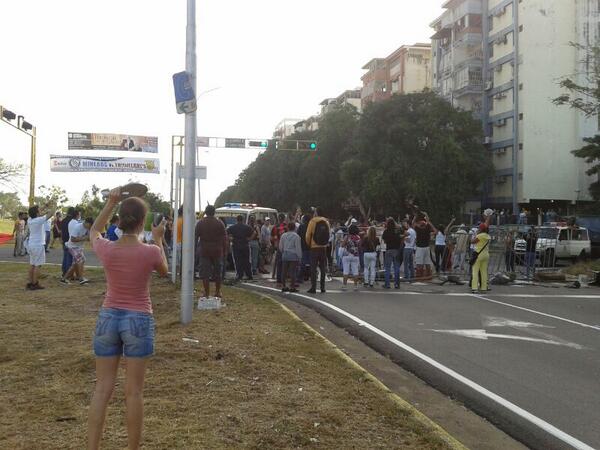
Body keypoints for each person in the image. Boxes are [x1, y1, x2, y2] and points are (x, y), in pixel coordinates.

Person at [87, 187, 168, 450]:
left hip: (108, 316)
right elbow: (164, 272)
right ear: (143, 222)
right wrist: (158, 239)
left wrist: (110, 202)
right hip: (138, 319)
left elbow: (94, 231)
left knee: (102, 389)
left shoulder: (107, 249)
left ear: (120, 220)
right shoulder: (150, 251)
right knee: (134, 392)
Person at [195, 205, 227, 301]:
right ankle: (217, 292)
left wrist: (195, 250)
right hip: (217, 250)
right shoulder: (220, 223)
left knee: (205, 273)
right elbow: (225, 239)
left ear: (205, 212)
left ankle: (206, 293)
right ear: (214, 212)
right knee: (217, 273)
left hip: (204, 251)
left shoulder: (200, 223)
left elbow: (195, 237)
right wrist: (225, 251)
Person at [25, 205, 54, 290]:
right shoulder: (39, 220)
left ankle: (31, 282)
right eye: (39, 210)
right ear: (37, 213)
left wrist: (46, 205)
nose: (40, 211)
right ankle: (35, 283)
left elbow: (36, 211)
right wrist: (55, 204)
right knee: (38, 265)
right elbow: (51, 213)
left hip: (31, 244)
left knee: (32, 264)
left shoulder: (30, 219)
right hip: (38, 245)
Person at [305, 207, 331, 294]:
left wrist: (309, 244)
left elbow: (308, 235)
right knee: (323, 268)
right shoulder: (326, 222)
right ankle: (322, 287)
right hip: (323, 247)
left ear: (316, 213)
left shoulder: (312, 221)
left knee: (313, 267)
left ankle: (313, 287)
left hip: (314, 247)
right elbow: (329, 234)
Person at [63, 217, 93, 285]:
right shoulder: (77, 227)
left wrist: (88, 236)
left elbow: (88, 238)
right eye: (89, 225)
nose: (90, 226)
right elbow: (72, 239)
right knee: (80, 260)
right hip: (72, 247)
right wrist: (84, 238)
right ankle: (81, 279)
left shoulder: (87, 228)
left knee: (75, 264)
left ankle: (64, 279)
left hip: (79, 247)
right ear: (86, 222)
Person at [228, 215, 253, 281]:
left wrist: (230, 238)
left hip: (236, 246)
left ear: (237, 219)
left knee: (238, 261)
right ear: (243, 219)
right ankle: (249, 275)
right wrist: (249, 239)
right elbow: (254, 232)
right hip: (245, 246)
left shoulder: (233, 227)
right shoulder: (247, 227)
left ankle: (239, 275)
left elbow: (226, 233)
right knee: (247, 261)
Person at [279, 222, 302, 293]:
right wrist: (299, 257)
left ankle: (283, 286)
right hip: (293, 255)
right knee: (292, 272)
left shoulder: (283, 235)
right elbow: (298, 248)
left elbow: (280, 246)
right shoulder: (297, 236)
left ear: (288, 227)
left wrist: (282, 251)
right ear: (295, 228)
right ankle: (292, 286)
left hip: (285, 254)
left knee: (284, 271)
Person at [413, 214, 437, 279]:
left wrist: (415, 216)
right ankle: (428, 276)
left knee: (419, 263)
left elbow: (413, 224)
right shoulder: (427, 230)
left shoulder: (418, 230)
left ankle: (419, 276)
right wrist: (428, 221)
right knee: (427, 262)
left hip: (420, 248)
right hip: (427, 248)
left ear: (420, 225)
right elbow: (435, 231)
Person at [382, 218, 402, 289]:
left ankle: (387, 284)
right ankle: (396, 284)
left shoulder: (386, 231)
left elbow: (384, 240)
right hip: (396, 250)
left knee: (387, 268)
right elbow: (400, 239)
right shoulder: (396, 231)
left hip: (388, 249)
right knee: (396, 267)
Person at [471, 223, 491, 293]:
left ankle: (474, 288)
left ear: (481, 229)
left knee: (475, 271)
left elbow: (472, 241)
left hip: (478, 254)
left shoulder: (479, 235)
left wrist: (476, 234)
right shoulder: (488, 236)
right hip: (486, 254)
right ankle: (484, 288)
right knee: (484, 272)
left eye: (479, 228)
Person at [341, 224, 361, 291]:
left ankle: (344, 285)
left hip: (347, 255)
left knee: (346, 270)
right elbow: (360, 247)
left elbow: (343, 245)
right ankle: (355, 286)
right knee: (355, 271)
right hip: (355, 255)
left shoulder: (347, 237)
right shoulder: (358, 237)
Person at [61, 208, 76, 278]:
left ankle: (64, 272)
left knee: (65, 257)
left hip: (64, 240)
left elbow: (62, 232)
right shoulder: (72, 221)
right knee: (69, 258)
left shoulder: (63, 220)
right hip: (70, 241)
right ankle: (69, 274)